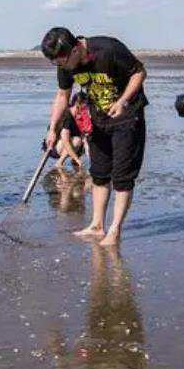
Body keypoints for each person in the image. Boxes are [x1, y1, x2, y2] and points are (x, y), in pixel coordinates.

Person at [41, 27, 148, 246]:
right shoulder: (64, 63)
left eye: (62, 61)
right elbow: (63, 96)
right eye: (56, 64)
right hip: (98, 119)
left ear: (76, 48)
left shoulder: (108, 49)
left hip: (127, 116)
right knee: (99, 173)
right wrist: (52, 128)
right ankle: (97, 225)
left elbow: (139, 72)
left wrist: (123, 101)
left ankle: (115, 230)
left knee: (122, 176)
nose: (62, 67)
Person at [41, 91, 88, 171]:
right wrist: (77, 159)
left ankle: (74, 161)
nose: (86, 109)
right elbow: (65, 140)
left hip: (66, 143)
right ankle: (60, 162)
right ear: (78, 105)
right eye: (85, 106)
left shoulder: (80, 117)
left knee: (84, 140)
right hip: (54, 147)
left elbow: (85, 136)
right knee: (77, 141)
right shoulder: (66, 116)